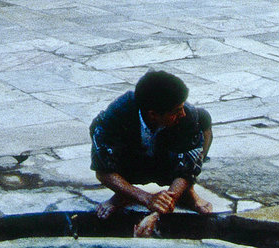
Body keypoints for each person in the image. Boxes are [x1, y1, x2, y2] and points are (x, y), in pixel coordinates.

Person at [90, 69, 213, 237]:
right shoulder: (117, 115)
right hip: (132, 164)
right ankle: (123, 194)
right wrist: (146, 198)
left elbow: (187, 167)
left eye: (182, 108)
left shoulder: (187, 116)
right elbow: (103, 171)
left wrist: (160, 209)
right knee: (98, 128)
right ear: (153, 114)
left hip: (166, 162)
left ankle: (187, 192)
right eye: (176, 111)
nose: (182, 114)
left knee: (202, 121)